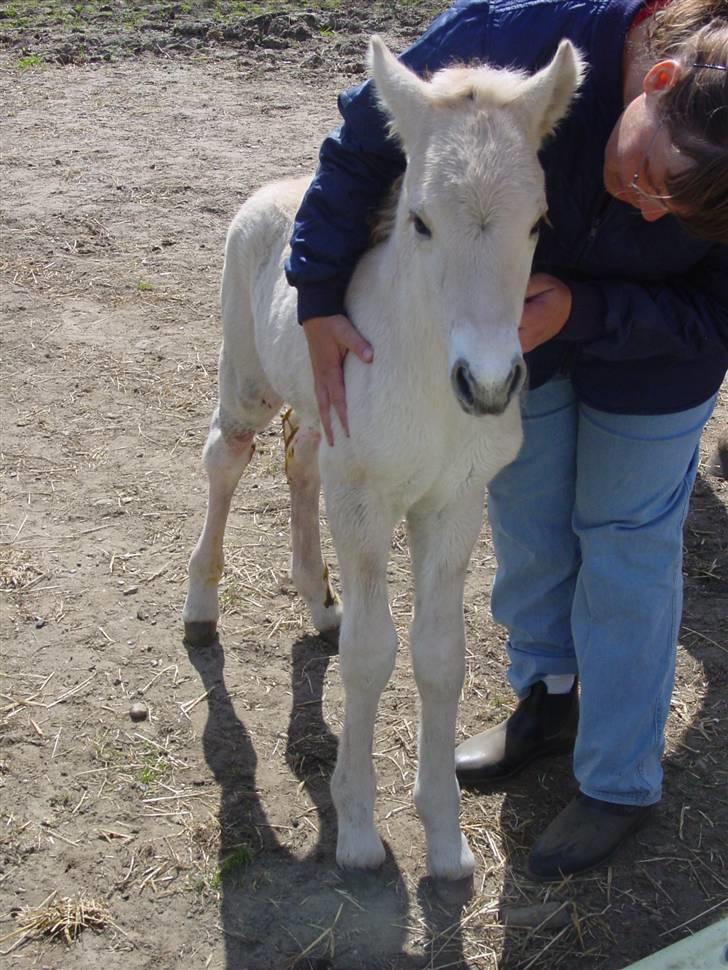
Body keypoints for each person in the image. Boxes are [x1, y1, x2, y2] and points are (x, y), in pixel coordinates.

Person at [284, 0, 728, 880]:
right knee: (527, 514)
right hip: (510, 326)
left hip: (656, 350)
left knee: (628, 545)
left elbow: (720, 310)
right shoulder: (524, 34)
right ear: (660, 81)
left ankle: (617, 780)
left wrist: (589, 308)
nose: (645, 206)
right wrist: (318, 293)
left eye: (680, 209)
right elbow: (364, 144)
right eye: (648, 168)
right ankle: (547, 697)